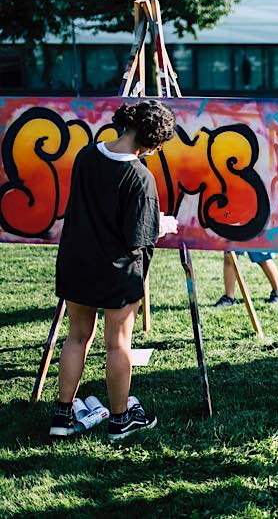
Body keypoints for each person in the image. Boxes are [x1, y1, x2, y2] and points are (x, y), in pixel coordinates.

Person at [50, 100, 178, 440]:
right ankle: (121, 419)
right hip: (117, 271)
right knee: (117, 345)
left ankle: (62, 416)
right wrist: (161, 225)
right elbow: (138, 235)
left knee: (76, 337)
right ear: (152, 142)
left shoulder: (86, 156)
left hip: (77, 262)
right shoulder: (139, 176)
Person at [213, 251, 278, 307]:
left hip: (254, 232)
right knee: (229, 257)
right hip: (233, 231)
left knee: (262, 257)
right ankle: (228, 297)